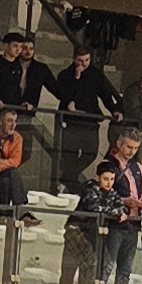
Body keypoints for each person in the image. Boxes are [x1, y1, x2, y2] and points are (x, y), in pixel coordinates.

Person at [57, 159, 126, 284]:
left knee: (88, 270)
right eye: (105, 179)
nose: (109, 183)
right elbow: (95, 207)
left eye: (112, 179)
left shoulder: (113, 193)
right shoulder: (89, 188)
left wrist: (117, 212)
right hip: (76, 232)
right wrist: (115, 213)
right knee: (70, 270)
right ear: (97, 177)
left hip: (92, 235)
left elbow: (121, 207)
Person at [52, 47, 118, 191]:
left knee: (91, 154)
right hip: (71, 121)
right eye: (80, 60)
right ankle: (70, 181)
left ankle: (68, 178)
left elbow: (105, 95)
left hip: (90, 120)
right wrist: (76, 77)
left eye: (87, 60)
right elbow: (62, 93)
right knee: (70, 154)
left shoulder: (96, 74)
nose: (84, 63)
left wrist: (114, 110)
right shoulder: (65, 75)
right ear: (74, 59)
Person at [103, 130, 142, 284]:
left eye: (135, 148)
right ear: (119, 144)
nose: (132, 151)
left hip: (133, 222)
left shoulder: (138, 167)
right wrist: (123, 201)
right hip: (114, 222)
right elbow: (103, 193)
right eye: (129, 147)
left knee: (125, 268)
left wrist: (141, 203)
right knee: (107, 265)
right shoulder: (108, 164)